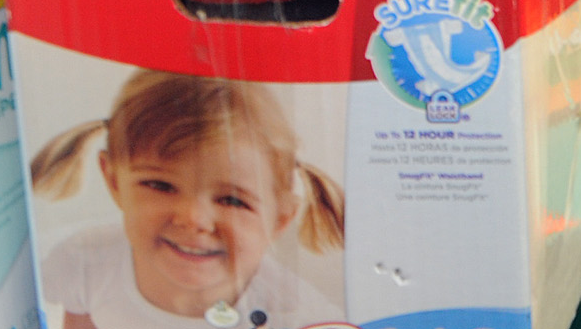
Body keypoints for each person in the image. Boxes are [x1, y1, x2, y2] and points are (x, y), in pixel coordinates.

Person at [31, 70, 346, 329]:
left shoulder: (294, 313)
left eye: (232, 201)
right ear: (114, 181)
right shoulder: (86, 262)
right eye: (161, 185)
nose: (193, 217)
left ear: (279, 218)